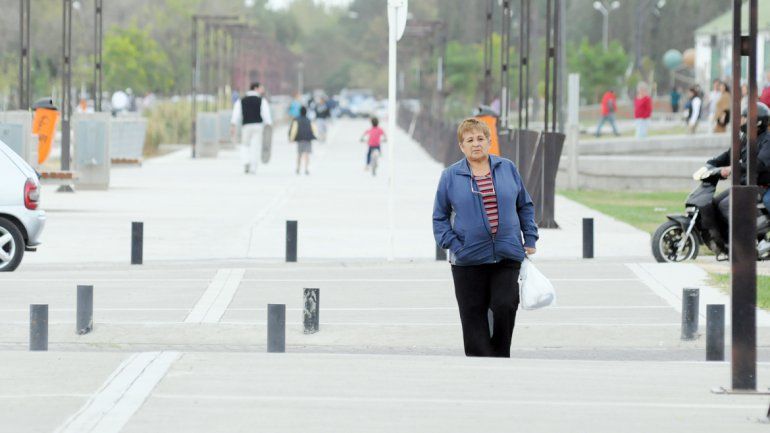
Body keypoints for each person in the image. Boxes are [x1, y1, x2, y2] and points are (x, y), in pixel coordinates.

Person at [432, 117, 538, 358]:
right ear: (462, 146)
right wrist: (456, 245)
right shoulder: (450, 176)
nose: (475, 144)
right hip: (467, 260)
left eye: (480, 139)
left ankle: (500, 357)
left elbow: (525, 205)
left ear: (489, 142)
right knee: (473, 315)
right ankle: (480, 365)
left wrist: (529, 238)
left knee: (505, 305)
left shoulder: (507, 168)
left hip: (506, 254)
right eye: (469, 140)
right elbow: (439, 217)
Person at [702, 102, 770, 255]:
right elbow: (729, 155)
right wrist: (710, 164)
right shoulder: (746, 138)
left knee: (727, 206)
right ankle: (724, 243)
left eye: (745, 118)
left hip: (760, 185)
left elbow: (757, 164)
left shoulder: (767, 140)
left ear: (756, 121)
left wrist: (733, 168)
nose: (742, 121)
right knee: (714, 203)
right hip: (745, 185)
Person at [230, 82, 273, 174]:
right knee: (255, 146)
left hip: (246, 125)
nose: (262, 90)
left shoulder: (241, 100)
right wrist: (268, 124)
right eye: (261, 88)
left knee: (245, 145)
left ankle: (246, 162)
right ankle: (253, 166)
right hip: (258, 126)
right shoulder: (261, 100)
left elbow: (236, 113)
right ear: (256, 88)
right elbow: (266, 114)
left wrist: (233, 124)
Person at [288, 106, 317, 175]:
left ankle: (298, 168)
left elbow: (294, 130)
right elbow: (314, 129)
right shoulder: (309, 120)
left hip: (300, 139)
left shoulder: (296, 120)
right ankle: (306, 169)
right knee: (307, 154)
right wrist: (314, 136)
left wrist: (291, 138)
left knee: (299, 154)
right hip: (308, 139)